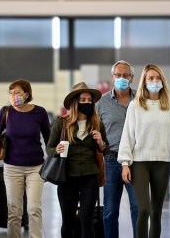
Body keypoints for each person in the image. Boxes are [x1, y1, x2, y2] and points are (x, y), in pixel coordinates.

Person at [118, 64, 170, 238]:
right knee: (144, 209)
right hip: (139, 164)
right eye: (150, 78)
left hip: (162, 163)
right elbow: (127, 136)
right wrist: (125, 163)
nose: (155, 81)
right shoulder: (135, 105)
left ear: (163, 80)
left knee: (156, 212)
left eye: (157, 78)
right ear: (144, 82)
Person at [0, 79, 51, 238]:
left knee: (34, 209)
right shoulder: (6, 112)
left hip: (36, 167)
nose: (13, 96)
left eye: (17, 92)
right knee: (14, 211)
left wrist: (55, 160)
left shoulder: (39, 113)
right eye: (11, 93)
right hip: (12, 168)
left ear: (26, 94)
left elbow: (49, 139)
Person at [47, 82, 109, 238]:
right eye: (83, 100)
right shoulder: (61, 123)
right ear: (75, 102)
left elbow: (104, 149)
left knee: (86, 220)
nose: (87, 103)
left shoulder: (97, 124)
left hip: (90, 175)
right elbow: (49, 148)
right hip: (67, 177)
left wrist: (101, 142)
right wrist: (56, 150)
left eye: (89, 100)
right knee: (68, 222)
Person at [95, 60, 138, 238]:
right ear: (112, 78)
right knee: (110, 210)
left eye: (125, 75)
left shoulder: (140, 99)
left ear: (132, 78)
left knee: (138, 208)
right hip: (112, 159)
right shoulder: (102, 103)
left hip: (136, 161)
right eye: (118, 75)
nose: (121, 78)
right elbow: (96, 131)